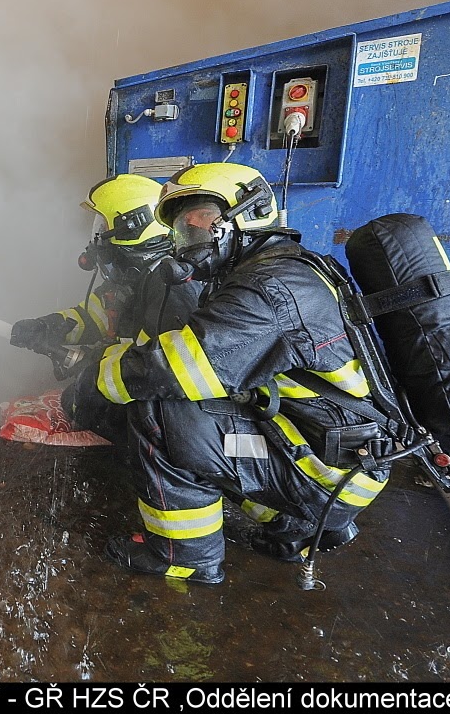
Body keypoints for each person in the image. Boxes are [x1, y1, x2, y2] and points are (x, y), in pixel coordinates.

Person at [61, 162, 392, 585]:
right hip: (333, 454)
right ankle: (297, 527)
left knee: (163, 411)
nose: (186, 238)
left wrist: (97, 376)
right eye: (182, 226)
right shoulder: (273, 271)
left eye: (200, 220)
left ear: (245, 216)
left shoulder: (267, 291)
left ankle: (185, 557)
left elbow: (172, 371)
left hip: (325, 469)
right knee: (203, 417)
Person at [10, 173, 203, 446]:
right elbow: (95, 315)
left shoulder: (170, 288)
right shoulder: (134, 280)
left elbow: (153, 368)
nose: (96, 239)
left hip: (170, 406)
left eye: (102, 226)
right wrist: (47, 326)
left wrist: (90, 362)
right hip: (144, 387)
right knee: (80, 397)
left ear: (132, 230)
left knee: (84, 400)